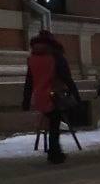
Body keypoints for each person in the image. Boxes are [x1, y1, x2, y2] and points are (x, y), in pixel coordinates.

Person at [22, 30, 79, 165]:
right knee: (54, 125)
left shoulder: (33, 59)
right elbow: (67, 78)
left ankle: (53, 151)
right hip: (55, 95)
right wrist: (76, 95)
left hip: (40, 96)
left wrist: (25, 100)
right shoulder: (56, 57)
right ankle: (55, 153)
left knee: (50, 122)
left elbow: (29, 81)